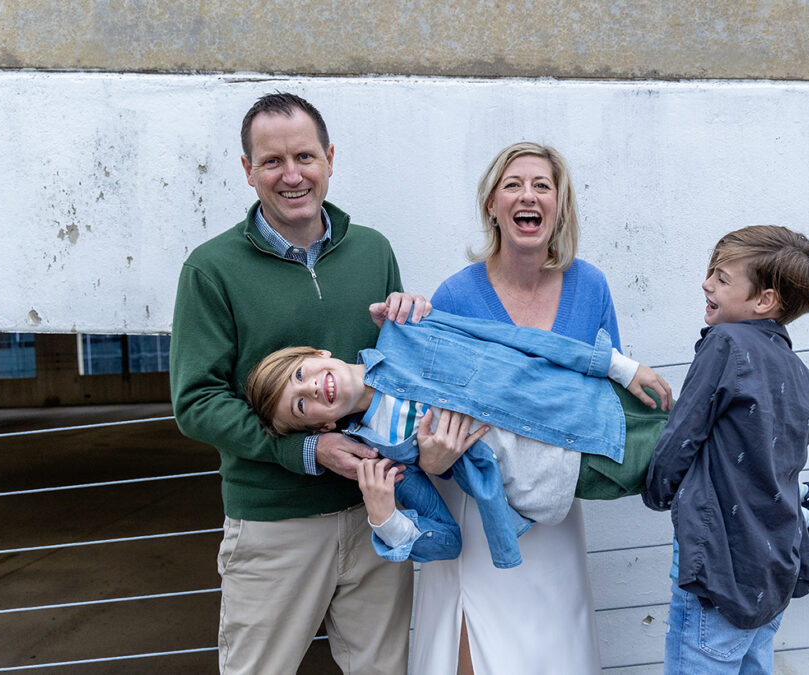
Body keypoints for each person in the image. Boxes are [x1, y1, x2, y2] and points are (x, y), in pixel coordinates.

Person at [170, 92, 428, 675]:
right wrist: (306, 449)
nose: (293, 176)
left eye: (305, 157)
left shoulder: (373, 250)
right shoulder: (211, 270)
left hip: (375, 513)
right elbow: (196, 403)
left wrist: (415, 323)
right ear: (247, 170)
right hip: (274, 523)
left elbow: (394, 371)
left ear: (330, 158)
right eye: (272, 161)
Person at [411, 142, 626, 674]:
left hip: (555, 507)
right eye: (513, 185)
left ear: (560, 204)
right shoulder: (456, 295)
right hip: (477, 506)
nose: (527, 195)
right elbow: (430, 409)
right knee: (475, 653)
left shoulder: (590, 286)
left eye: (542, 185)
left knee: (554, 651)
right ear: (491, 204)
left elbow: (605, 399)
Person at [241, 310, 671, 567]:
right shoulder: (383, 457)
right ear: (321, 428)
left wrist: (615, 365)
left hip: (590, 403)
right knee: (695, 477)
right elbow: (448, 541)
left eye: (300, 375)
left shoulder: (405, 328)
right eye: (300, 406)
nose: (311, 389)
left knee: (720, 437)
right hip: (562, 476)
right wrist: (383, 516)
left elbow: (511, 338)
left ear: (319, 355)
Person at [642, 225, 809, 674]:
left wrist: (657, 489)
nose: (707, 283)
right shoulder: (803, 377)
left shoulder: (725, 344)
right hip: (770, 572)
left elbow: (681, 436)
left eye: (722, 278)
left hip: (716, 570)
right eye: (711, 272)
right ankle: (806, 511)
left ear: (764, 300)